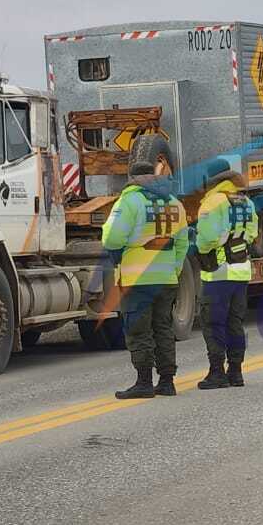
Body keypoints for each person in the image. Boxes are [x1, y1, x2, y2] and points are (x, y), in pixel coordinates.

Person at [102, 157, 189, 399]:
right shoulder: (174, 203)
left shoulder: (130, 200)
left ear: (132, 179)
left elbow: (112, 239)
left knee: (139, 330)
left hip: (137, 279)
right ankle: (167, 381)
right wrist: (175, 268)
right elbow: (183, 243)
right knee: (163, 328)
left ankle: (143, 382)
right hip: (167, 278)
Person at [194, 159, 258, 390]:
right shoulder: (246, 202)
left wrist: (199, 247)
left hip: (217, 273)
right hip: (241, 272)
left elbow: (206, 239)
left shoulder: (213, 202)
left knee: (213, 324)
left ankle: (216, 373)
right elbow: (252, 234)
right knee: (235, 323)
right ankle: (236, 372)